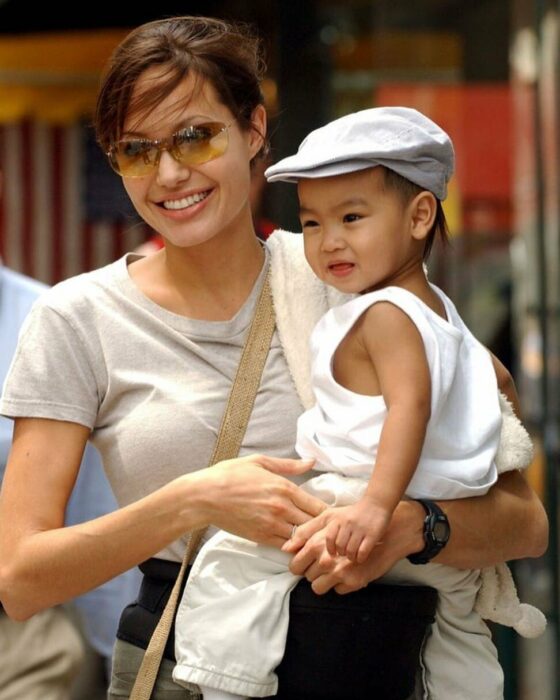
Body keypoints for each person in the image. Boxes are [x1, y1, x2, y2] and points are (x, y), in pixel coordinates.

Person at [0, 16, 547, 700]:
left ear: (255, 130)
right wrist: (192, 501)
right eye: (136, 150)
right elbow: (20, 579)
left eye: (195, 136)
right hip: (184, 665)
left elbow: (524, 525)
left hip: (369, 655)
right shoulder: (76, 319)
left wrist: (411, 527)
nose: (169, 174)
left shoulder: (352, 281)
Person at [171, 107, 545, 700]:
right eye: (313, 223)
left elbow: (410, 410)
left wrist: (375, 507)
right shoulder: (447, 319)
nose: (329, 241)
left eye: (352, 217)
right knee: (454, 634)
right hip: (445, 538)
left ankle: (225, 681)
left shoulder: (384, 315)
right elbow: (487, 390)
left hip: (355, 498)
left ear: (421, 214)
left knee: (231, 563)